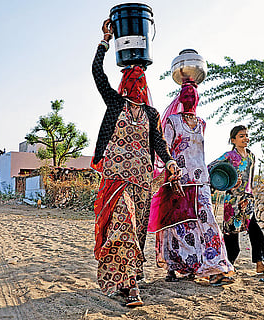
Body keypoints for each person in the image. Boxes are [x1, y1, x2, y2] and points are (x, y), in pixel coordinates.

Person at [91, 19, 183, 307]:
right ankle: (130, 287)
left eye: (139, 78)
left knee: (136, 231)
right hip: (116, 180)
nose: (136, 83)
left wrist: (169, 162)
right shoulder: (115, 104)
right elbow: (97, 74)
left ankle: (125, 279)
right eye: (131, 78)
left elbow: (159, 143)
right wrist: (105, 42)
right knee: (123, 227)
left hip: (142, 180)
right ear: (123, 83)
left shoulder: (152, 114)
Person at [150, 81, 234, 286]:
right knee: (177, 224)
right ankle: (174, 264)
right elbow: (165, 149)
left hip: (201, 180)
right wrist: (171, 175)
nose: (189, 98)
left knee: (208, 222)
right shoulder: (172, 121)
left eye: (193, 95)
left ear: (197, 99)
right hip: (179, 179)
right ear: (180, 98)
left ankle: (216, 266)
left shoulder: (202, 123)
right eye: (185, 94)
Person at [209, 125, 264, 275]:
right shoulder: (229, 156)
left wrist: (250, 194)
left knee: (255, 231)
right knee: (232, 235)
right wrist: (224, 182)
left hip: (247, 199)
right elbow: (211, 167)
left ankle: (260, 264)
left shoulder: (251, 156)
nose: (245, 138)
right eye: (241, 136)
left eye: (246, 135)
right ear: (233, 140)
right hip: (232, 200)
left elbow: (250, 178)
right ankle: (226, 266)